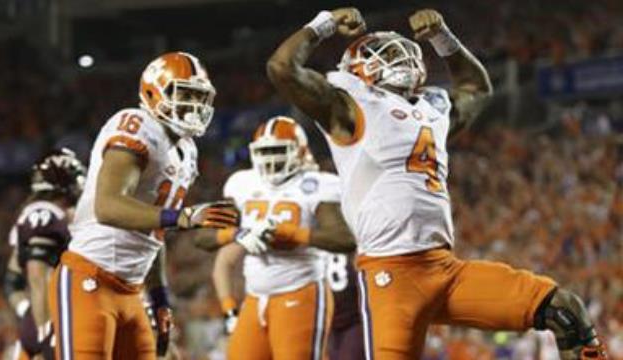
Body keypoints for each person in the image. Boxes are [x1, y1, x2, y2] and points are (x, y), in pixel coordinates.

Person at [267, 7, 607, 360]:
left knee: (565, 311)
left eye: (400, 51)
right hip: (390, 277)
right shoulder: (348, 108)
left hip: (444, 270)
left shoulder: (431, 109)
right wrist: (324, 24)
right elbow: (282, 68)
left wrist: (444, 38)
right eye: (384, 54)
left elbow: (477, 87)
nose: (399, 58)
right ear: (357, 69)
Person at [47, 51, 240, 359]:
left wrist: (160, 298)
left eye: (199, 97)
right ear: (153, 90)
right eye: (184, 94)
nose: (194, 106)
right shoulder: (137, 124)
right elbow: (108, 206)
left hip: (133, 290)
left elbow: (152, 231)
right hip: (90, 278)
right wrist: (184, 217)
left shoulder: (186, 150)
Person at [211, 116, 355, 360]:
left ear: (298, 151)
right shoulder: (242, 183)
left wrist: (292, 234)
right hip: (255, 297)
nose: (271, 159)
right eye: (265, 151)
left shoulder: (316, 185)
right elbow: (205, 239)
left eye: (278, 150)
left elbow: (344, 239)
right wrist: (237, 233)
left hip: (300, 290)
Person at [4, 149, 86, 360]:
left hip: (47, 320)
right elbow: (38, 277)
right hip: (58, 325)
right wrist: (46, 334)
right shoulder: (45, 214)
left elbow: (12, 281)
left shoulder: (35, 215)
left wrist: (26, 313)